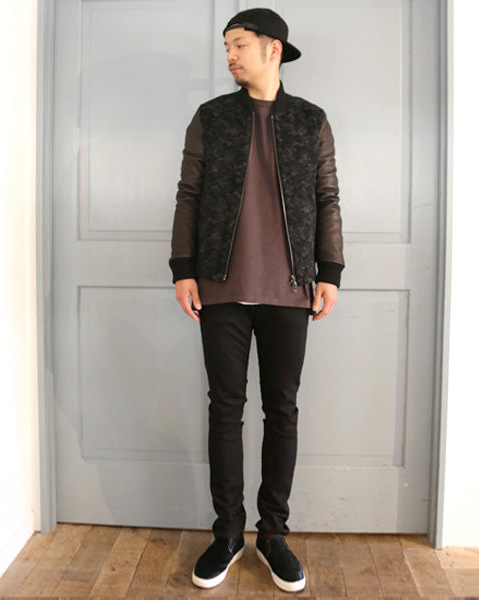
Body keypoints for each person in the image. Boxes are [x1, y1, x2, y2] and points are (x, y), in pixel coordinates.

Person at [169, 7, 344, 593]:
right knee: (225, 409)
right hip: (219, 286)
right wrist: (183, 269)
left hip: (290, 289)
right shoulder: (211, 118)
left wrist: (330, 271)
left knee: (282, 410)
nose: (229, 55)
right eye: (227, 46)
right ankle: (227, 534)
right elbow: (189, 194)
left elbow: (327, 197)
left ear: (273, 48)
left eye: (238, 44)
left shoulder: (310, 120)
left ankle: (273, 535)